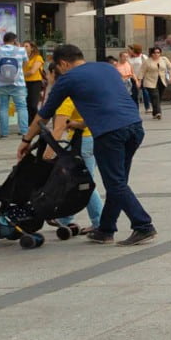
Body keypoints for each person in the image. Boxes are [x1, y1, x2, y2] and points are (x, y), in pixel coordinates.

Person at [17, 43, 155, 246]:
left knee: (115, 184)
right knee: (118, 183)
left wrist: (26, 140)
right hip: (134, 127)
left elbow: (43, 115)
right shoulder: (107, 68)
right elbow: (106, 101)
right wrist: (81, 123)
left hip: (110, 134)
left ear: (63, 63)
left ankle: (143, 225)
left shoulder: (68, 79)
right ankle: (106, 229)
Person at [44, 61, 104, 232]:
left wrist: (48, 152)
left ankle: (99, 221)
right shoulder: (81, 89)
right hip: (91, 138)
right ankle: (65, 218)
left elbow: (59, 127)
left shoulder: (66, 97)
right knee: (80, 180)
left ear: (54, 75)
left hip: (82, 142)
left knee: (84, 182)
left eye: (48, 74)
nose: (47, 77)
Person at [0, 30, 29, 140]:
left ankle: (4, 133)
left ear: (3, 40)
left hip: (1, 84)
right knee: (21, 107)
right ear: (14, 40)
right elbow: (25, 64)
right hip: (18, 83)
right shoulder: (21, 50)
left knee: (3, 108)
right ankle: (24, 132)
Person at [141, 46, 171, 119]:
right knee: (155, 96)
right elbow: (142, 71)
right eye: (155, 53)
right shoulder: (147, 61)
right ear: (151, 53)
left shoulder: (164, 59)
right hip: (150, 81)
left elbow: (170, 67)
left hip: (162, 81)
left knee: (158, 97)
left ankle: (155, 112)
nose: (156, 54)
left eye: (158, 53)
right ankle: (158, 112)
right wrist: (138, 80)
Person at [23, 40, 46, 123]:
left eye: (26, 46)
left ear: (32, 48)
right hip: (25, 82)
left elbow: (33, 71)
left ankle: (38, 123)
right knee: (26, 104)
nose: (24, 48)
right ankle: (29, 123)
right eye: (23, 46)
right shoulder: (23, 58)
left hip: (35, 82)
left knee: (33, 104)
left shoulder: (38, 58)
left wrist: (20, 75)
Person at [127, 44, 147, 111]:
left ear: (133, 50)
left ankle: (147, 106)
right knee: (134, 93)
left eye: (129, 49)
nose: (128, 51)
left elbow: (146, 66)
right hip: (132, 77)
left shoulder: (143, 57)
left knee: (145, 91)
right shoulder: (128, 58)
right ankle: (135, 108)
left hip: (142, 76)